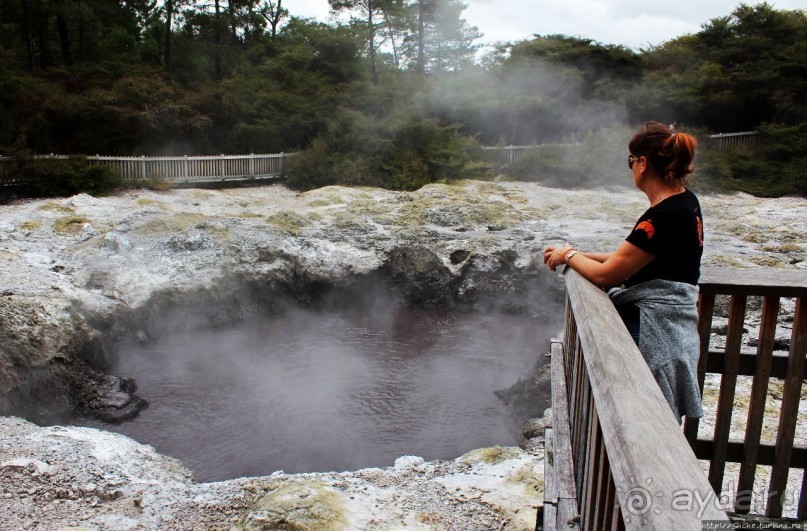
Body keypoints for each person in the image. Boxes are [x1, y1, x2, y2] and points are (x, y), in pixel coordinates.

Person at [542, 121, 704, 423]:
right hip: (675, 330)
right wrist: (577, 255)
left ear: (642, 163)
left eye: (631, 161)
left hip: (655, 331)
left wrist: (570, 254)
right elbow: (629, 259)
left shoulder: (661, 217)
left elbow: (608, 276)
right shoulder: (685, 201)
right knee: (656, 424)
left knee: (645, 422)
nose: (631, 168)